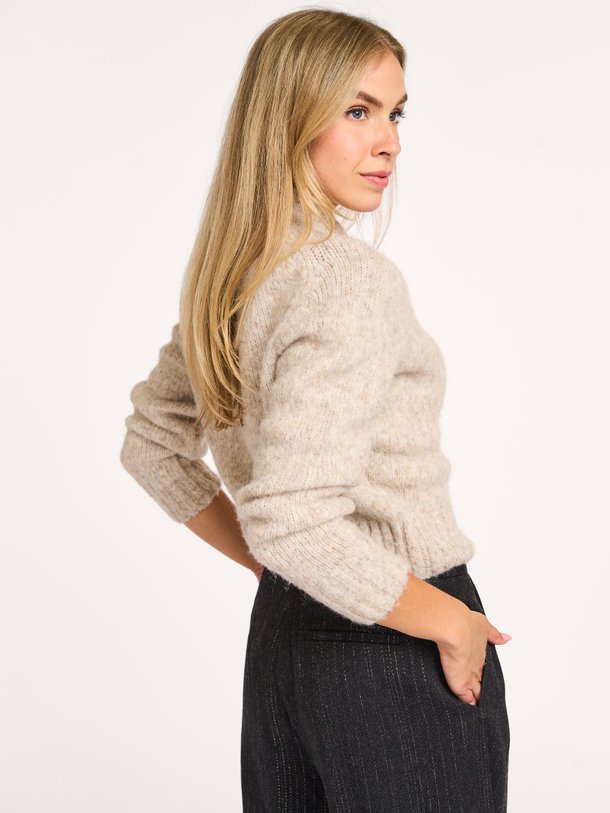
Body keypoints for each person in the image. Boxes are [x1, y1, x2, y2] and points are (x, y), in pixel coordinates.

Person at [120, 8, 511, 811]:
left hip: (287, 641)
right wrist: (450, 620)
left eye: (396, 114)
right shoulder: (346, 281)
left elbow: (152, 446)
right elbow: (291, 518)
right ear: (288, 117)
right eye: (359, 110)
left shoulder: (235, 282)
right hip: (396, 641)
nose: (389, 141)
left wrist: (283, 565)